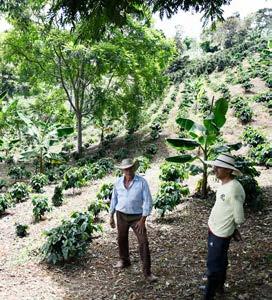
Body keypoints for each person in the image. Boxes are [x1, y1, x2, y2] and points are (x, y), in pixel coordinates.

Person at [203, 153, 245, 300]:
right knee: (221, 259)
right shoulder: (225, 184)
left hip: (221, 232)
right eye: (215, 166)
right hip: (215, 228)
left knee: (213, 263)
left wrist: (233, 229)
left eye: (219, 167)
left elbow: (239, 217)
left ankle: (209, 294)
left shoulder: (234, 189)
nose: (215, 169)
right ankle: (219, 286)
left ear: (228, 170)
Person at [109, 158, 157, 282]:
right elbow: (114, 199)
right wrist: (111, 215)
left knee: (143, 242)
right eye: (125, 169)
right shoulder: (118, 182)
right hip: (121, 215)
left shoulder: (142, 182)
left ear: (133, 169)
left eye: (130, 168)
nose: (128, 171)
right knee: (121, 238)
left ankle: (147, 272)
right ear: (122, 171)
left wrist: (143, 220)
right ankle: (124, 260)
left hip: (137, 217)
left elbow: (148, 201)